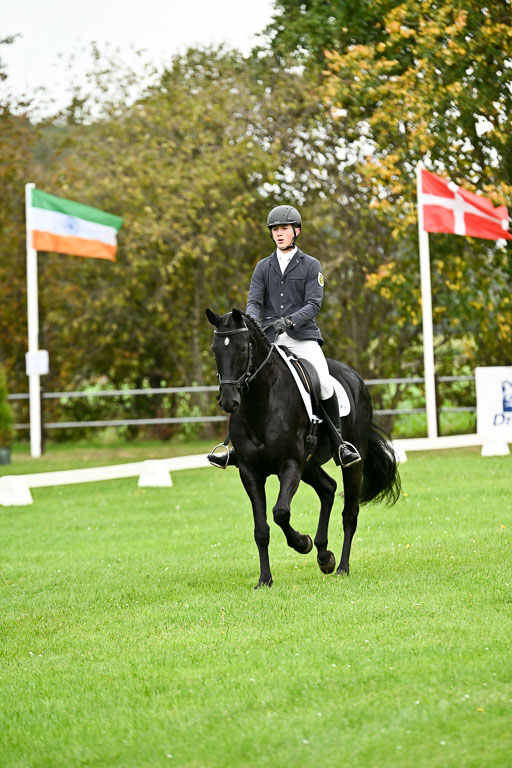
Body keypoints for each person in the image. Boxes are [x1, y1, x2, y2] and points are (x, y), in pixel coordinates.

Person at [207, 204, 361, 469]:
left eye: (284, 229)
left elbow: (313, 304)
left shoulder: (311, 265)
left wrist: (289, 321)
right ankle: (234, 448)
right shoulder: (262, 267)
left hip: (302, 338)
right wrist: (253, 325)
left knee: (324, 384)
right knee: (246, 381)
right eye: (275, 229)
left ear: (296, 231)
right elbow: (254, 302)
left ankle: (339, 445)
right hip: (269, 339)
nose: (279, 234)